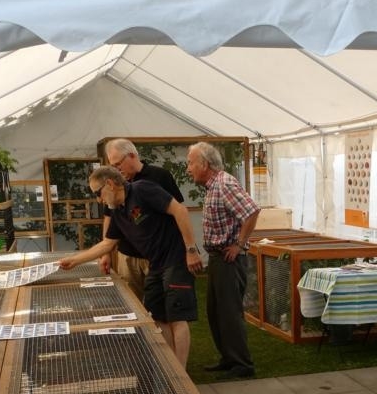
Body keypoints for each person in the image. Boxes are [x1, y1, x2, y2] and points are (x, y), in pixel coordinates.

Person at [58, 165, 203, 368]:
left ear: (110, 184)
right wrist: (74, 261)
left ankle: (181, 375)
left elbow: (180, 210)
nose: (99, 200)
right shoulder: (118, 212)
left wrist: (191, 249)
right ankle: (172, 368)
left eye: (98, 193)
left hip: (176, 258)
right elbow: (107, 244)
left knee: (177, 317)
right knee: (157, 316)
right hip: (156, 264)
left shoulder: (142, 189)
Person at [186, 141, 260, 378]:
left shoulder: (224, 183)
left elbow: (252, 211)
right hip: (219, 258)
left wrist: (239, 244)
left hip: (229, 260)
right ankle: (229, 358)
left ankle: (242, 365)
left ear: (204, 164)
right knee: (217, 312)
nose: (188, 169)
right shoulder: (214, 186)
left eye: (190, 163)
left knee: (229, 313)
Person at [100, 139, 185, 300]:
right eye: (113, 166)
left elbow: (178, 211)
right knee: (131, 301)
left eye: (118, 164)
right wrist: (106, 253)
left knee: (162, 304)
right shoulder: (115, 182)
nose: (116, 169)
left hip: (157, 256)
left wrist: (186, 248)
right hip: (128, 255)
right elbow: (109, 217)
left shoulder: (160, 176)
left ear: (132, 155)